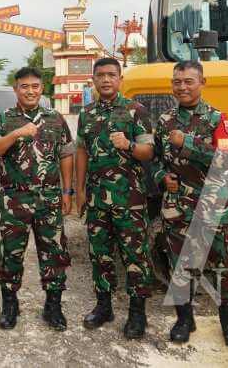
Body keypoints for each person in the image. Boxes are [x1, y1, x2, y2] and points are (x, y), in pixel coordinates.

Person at [151, 60, 228, 347]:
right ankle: (184, 319)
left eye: (189, 81)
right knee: (180, 265)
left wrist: (187, 142)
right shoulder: (164, 121)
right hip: (177, 207)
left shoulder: (218, 119)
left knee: (223, 267)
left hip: (211, 207)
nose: (182, 87)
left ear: (202, 83)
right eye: (177, 82)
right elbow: (155, 159)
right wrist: (161, 176)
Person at [0, 67, 74, 331]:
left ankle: (53, 307)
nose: (30, 91)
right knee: (11, 254)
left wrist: (67, 191)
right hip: (14, 201)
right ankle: (10, 305)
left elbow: (66, 154)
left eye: (35, 86)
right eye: (24, 86)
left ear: (41, 89)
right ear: (16, 89)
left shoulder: (56, 119)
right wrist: (16, 134)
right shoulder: (1, 119)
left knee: (54, 253)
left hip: (49, 201)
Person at [75, 57, 155, 338]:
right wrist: (79, 190)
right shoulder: (86, 113)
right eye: (101, 76)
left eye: (111, 75)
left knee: (135, 255)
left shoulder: (137, 111)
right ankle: (103, 306)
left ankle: (137, 314)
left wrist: (128, 144)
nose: (106, 80)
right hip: (97, 199)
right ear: (94, 80)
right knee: (100, 254)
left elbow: (148, 152)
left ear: (120, 79)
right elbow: (82, 151)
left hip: (129, 199)